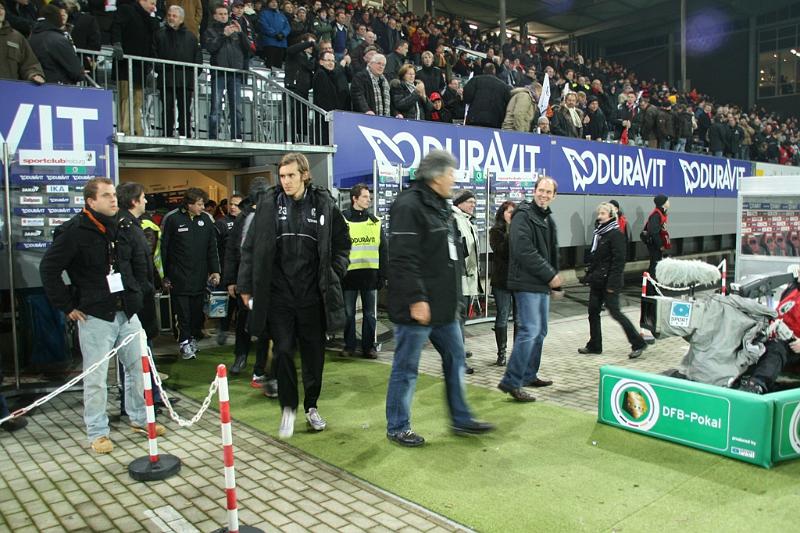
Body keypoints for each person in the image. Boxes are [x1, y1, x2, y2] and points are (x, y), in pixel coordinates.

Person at [40, 178, 166, 454]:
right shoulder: (74, 231)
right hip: (95, 315)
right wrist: (67, 306)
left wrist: (137, 292)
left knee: (138, 368)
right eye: (107, 195)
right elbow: (48, 270)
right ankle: (97, 431)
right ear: (91, 201)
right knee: (95, 377)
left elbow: (138, 261)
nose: (113, 199)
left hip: (127, 311)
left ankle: (139, 417)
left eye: (114, 195)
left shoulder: (123, 226)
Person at [385, 150, 494, 447]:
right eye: (450, 174)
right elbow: (403, 259)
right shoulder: (408, 205)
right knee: (406, 368)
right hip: (417, 308)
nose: (453, 180)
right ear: (435, 176)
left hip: (443, 307)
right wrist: (417, 299)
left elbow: (449, 255)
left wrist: (455, 300)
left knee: (456, 358)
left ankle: (461, 418)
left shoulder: (441, 206)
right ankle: (397, 426)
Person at [237, 153, 350, 439]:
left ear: (304, 175)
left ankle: (311, 406)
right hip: (279, 297)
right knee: (284, 350)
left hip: (313, 297)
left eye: (290, 176)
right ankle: (288, 408)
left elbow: (342, 242)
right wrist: (245, 286)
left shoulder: (324, 203)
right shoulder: (268, 205)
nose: (285, 181)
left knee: (314, 356)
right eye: (282, 176)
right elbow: (250, 248)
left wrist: (334, 271)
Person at [497, 177, 560, 402]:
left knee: (540, 331)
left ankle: (528, 374)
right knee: (529, 331)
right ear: (534, 191)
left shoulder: (547, 218)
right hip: (526, 283)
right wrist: (550, 275)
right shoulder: (523, 215)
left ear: (554, 195)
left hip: (540, 283)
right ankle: (512, 381)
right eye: (541, 190)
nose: (544, 194)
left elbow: (552, 252)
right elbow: (524, 251)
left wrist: (555, 280)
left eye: (548, 192)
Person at [222, 179, 275, 398]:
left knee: (265, 328)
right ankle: (242, 358)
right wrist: (232, 281)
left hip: (264, 282)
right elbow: (234, 252)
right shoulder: (243, 219)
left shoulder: (270, 216)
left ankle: (260, 371)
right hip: (248, 282)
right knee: (246, 323)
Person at [579, 203, 647, 359]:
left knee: (615, 313)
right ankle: (595, 345)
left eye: (602, 213)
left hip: (609, 283)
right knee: (593, 312)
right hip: (597, 281)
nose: (599, 216)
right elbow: (596, 257)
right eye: (599, 213)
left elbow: (618, 262)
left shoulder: (616, 235)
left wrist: (612, 284)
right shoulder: (600, 234)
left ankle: (638, 343)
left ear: (610, 215)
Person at [160, 188, 221, 359]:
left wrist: (215, 270)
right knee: (182, 313)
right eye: (200, 204)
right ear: (189, 204)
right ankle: (184, 342)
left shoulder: (207, 221)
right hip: (178, 276)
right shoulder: (172, 219)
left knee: (196, 313)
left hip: (200, 276)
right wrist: (164, 276)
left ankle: (192, 338)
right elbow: (163, 249)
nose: (203, 207)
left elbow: (212, 248)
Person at [341, 184, 387, 359]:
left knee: (369, 315)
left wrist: (383, 274)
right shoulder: (343, 220)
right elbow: (337, 248)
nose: (369, 200)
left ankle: (369, 348)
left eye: (369, 197)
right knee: (348, 315)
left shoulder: (375, 221)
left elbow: (384, 249)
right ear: (355, 199)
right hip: (348, 276)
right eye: (365, 197)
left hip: (370, 276)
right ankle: (349, 346)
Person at [739, 277, 800, 394]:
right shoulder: (792, 289)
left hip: (792, 347)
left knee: (776, 348)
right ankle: (735, 377)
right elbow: (779, 313)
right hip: (781, 336)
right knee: (753, 342)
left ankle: (757, 384)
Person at [111, 0, 158, 136]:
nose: (154, 7)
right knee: (125, 97)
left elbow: (151, 42)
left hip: (140, 66)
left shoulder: (149, 20)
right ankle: (125, 129)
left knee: (137, 100)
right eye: (152, 3)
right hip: (125, 64)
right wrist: (117, 44)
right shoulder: (126, 9)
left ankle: (137, 129)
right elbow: (116, 26)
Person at [154, 5, 202, 138]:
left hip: (185, 80)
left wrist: (193, 74)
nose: (170, 18)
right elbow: (154, 54)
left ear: (181, 19)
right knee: (167, 109)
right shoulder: (160, 34)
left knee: (185, 109)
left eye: (174, 16)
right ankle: (167, 134)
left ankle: (185, 134)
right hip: (166, 78)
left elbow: (198, 59)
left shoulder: (191, 37)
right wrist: (160, 69)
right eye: (169, 15)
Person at [206, 3, 250, 140]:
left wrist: (241, 33)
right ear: (215, 16)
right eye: (220, 14)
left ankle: (236, 136)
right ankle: (213, 137)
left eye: (225, 14)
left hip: (235, 73)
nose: (223, 16)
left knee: (236, 108)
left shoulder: (235, 29)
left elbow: (248, 49)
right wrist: (223, 35)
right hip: (219, 73)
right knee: (216, 108)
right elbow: (211, 48)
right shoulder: (210, 31)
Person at [452, 189, 480, 373]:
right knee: (456, 321)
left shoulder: (468, 221)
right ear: (460, 203)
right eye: (470, 202)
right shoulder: (454, 220)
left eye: (474, 203)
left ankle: (458, 351)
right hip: (458, 280)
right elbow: (457, 251)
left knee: (460, 320)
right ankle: (458, 359)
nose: (473, 205)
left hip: (468, 279)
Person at [28, 4, 84, 85]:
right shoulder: (57, 39)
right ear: (56, 18)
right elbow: (75, 70)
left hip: (36, 85)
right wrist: (81, 73)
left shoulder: (31, 37)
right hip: (57, 87)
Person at [490, 201, 515, 366]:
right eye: (508, 212)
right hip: (502, 281)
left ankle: (519, 353)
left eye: (514, 212)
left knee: (520, 319)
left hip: (519, 280)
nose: (511, 215)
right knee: (503, 316)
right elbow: (501, 251)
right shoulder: (496, 231)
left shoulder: (521, 231)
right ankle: (501, 353)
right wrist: (510, 232)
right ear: (502, 213)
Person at [214, 193, 241, 345]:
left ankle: (242, 334)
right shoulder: (221, 223)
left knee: (243, 307)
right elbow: (214, 249)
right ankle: (223, 329)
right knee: (226, 304)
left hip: (243, 272)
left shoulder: (250, 222)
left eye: (237, 205)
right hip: (226, 271)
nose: (232, 207)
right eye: (231, 204)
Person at [0, 1, 45, 83]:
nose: (0, 11)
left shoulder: (16, 37)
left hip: (9, 91)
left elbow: (30, 63)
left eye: (2, 8)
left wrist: (34, 74)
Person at [463, 63, 510, 129]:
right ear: (494, 71)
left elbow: (467, 98)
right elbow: (508, 104)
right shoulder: (504, 86)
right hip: (495, 122)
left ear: (483, 71)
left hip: (474, 119)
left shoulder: (474, 80)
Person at [643, 193, 670, 289]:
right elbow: (654, 232)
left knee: (655, 264)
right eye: (667, 200)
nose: (669, 202)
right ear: (663, 203)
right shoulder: (656, 215)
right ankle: (650, 288)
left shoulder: (661, 213)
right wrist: (660, 245)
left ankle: (652, 286)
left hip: (656, 244)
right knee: (654, 265)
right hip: (654, 245)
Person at [257, 0, 289, 69]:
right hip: (269, 43)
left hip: (281, 44)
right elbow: (264, 26)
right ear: (268, 3)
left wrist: (283, 34)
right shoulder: (263, 13)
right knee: (269, 65)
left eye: (276, 2)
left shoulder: (282, 15)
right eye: (272, 2)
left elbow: (288, 27)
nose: (274, 3)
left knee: (278, 66)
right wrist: (275, 34)